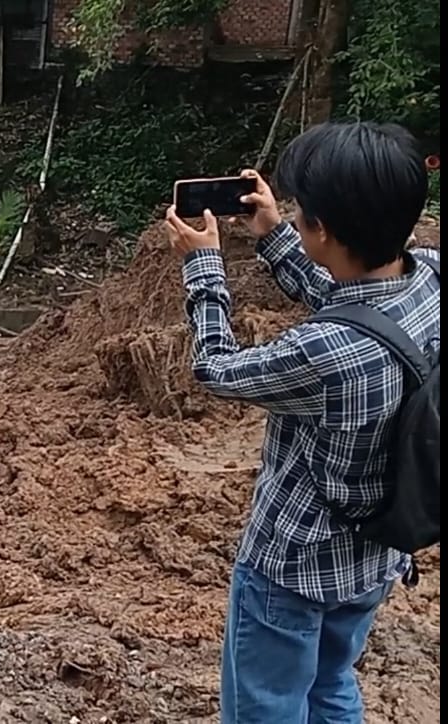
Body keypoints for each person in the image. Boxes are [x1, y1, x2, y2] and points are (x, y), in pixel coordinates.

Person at [163, 122, 440, 723]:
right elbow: (361, 308)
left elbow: (215, 369)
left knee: (266, 705)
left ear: (325, 229)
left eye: (302, 214)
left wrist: (204, 268)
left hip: (293, 566)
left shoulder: (322, 353)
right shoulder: (431, 279)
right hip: (377, 550)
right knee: (330, 681)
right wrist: (276, 237)